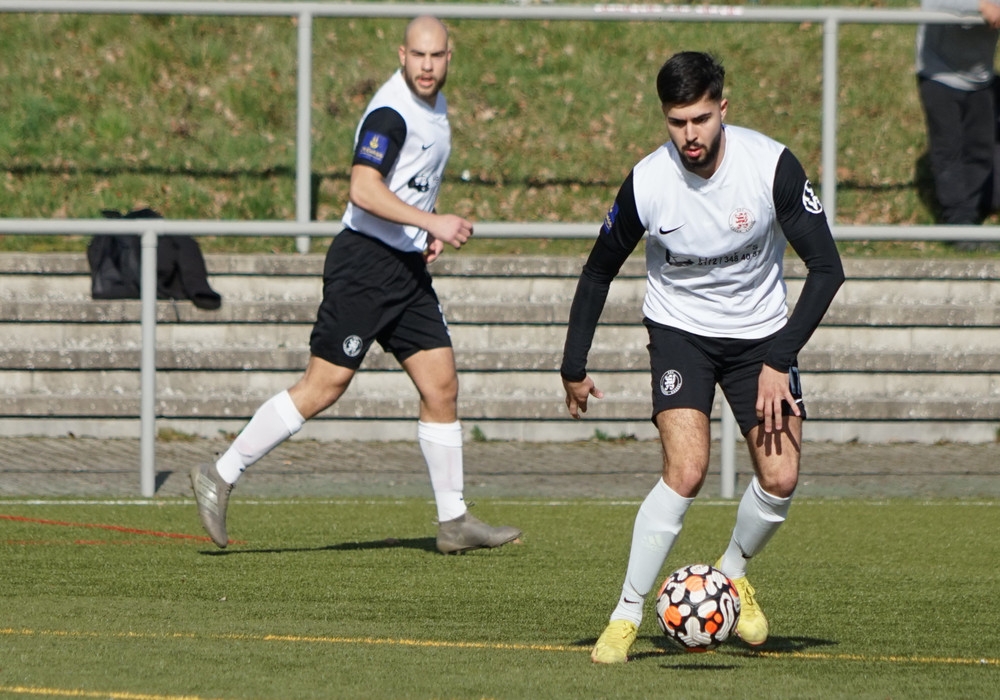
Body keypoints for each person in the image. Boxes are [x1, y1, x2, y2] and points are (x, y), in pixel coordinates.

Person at [191, 16, 521, 555]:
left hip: (404, 268)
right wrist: (433, 222)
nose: (427, 66)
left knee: (441, 384)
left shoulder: (434, 106)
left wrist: (423, 228)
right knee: (324, 386)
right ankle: (220, 473)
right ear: (402, 54)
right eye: (418, 55)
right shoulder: (390, 113)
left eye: (436, 56)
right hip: (365, 264)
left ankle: (454, 520)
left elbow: (408, 182)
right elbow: (363, 189)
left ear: (449, 57)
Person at [560, 52, 844, 664]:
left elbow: (828, 269)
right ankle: (626, 613)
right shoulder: (648, 182)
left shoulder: (770, 166)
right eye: (676, 122)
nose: (689, 134)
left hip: (762, 340)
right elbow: (598, 270)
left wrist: (779, 359)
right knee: (686, 469)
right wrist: (573, 366)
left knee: (781, 477)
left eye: (700, 119)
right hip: (680, 333)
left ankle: (732, 573)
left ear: (723, 108)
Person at [916, 0, 1000, 233]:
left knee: (980, 150)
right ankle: (959, 223)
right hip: (939, 75)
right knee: (949, 150)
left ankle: (972, 215)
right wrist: (981, 6)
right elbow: (932, 4)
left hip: (982, 77)